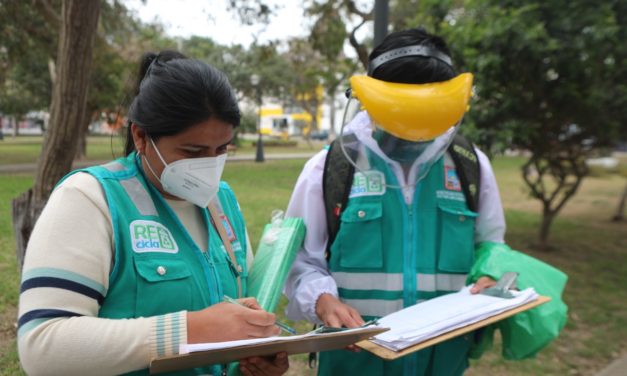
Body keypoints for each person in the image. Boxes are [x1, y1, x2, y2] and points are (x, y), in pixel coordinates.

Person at [18, 51, 289, 376]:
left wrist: (252, 360)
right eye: (192, 152)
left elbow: (232, 323)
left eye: (222, 150)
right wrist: (191, 331)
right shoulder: (90, 199)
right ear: (141, 137)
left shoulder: (224, 204)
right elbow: (42, 347)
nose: (209, 166)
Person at [283, 28, 509, 375]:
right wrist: (322, 300)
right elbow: (299, 260)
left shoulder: (469, 165)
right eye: (400, 115)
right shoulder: (330, 167)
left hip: (443, 359)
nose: (412, 132)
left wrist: (491, 276)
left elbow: (491, 244)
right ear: (368, 101)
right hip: (355, 359)